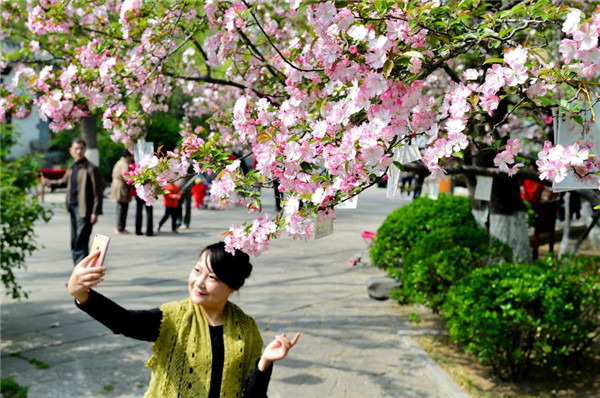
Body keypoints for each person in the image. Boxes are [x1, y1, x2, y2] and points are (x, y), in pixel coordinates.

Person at [67, 242, 300, 397]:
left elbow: (253, 395)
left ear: (233, 286)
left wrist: (265, 362)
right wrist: (81, 294)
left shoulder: (247, 329)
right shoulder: (173, 317)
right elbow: (124, 322)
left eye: (212, 277)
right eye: (197, 271)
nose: (199, 282)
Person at [43, 139, 104, 265]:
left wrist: (95, 212)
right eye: (76, 148)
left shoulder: (91, 169)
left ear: (85, 150)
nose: (79, 151)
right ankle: (78, 275)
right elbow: (63, 182)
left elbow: (98, 192)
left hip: (85, 210)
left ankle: (80, 277)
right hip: (72, 208)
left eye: (81, 148)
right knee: (74, 242)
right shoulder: (72, 167)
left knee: (81, 243)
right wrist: (50, 183)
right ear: (71, 151)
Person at [110, 150, 134, 234]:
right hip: (121, 187)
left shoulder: (120, 162)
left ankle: (120, 227)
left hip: (118, 185)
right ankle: (120, 228)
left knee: (121, 208)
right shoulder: (124, 164)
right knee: (122, 208)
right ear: (128, 156)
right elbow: (126, 177)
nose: (132, 158)